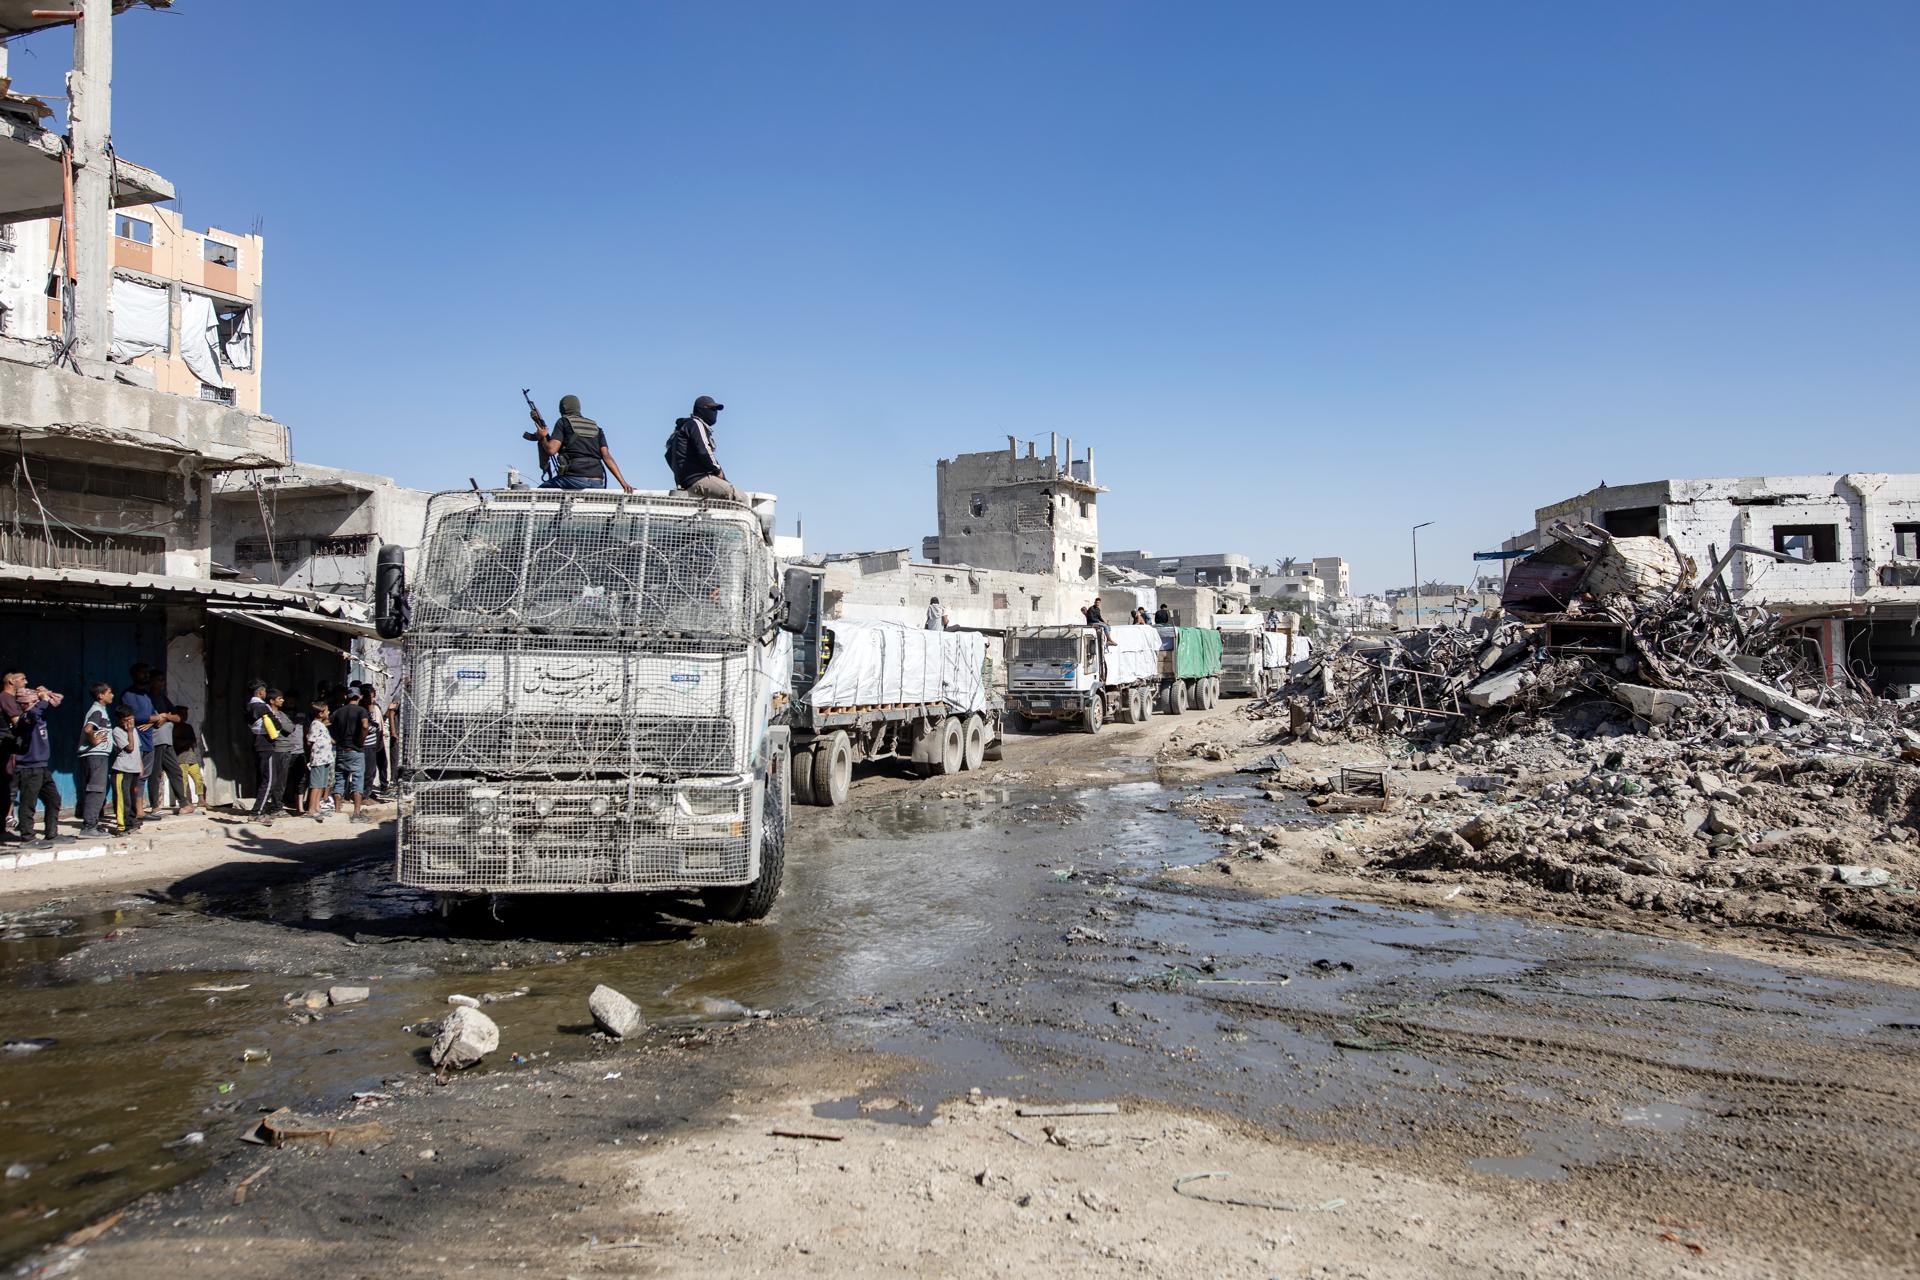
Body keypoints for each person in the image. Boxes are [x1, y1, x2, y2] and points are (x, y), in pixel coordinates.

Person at [535, 394, 634, 492]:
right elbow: (607, 456)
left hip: (573, 479)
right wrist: (623, 483)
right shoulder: (596, 427)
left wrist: (542, 437)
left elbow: (551, 450)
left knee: (539, 493)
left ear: (562, 408)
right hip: (597, 482)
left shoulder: (563, 422)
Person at [10, 683, 67, 847]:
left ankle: (51, 834)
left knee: (53, 799)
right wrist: (43, 701)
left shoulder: (36, 715)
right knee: (28, 804)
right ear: (24, 704)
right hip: (28, 769)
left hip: (41, 767)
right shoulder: (25, 718)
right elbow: (35, 713)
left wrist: (45, 693)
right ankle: (27, 838)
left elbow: (58, 699)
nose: (37, 704)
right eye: (33, 702)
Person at [666, 395, 744, 502]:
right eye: (712, 409)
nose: (715, 412)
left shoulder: (683, 427)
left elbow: (668, 456)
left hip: (685, 481)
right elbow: (704, 452)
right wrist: (718, 471)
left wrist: (681, 477)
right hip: (697, 479)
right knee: (740, 496)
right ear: (701, 409)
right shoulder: (696, 424)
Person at [146, 672, 191, 816]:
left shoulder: (162, 698)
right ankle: (155, 806)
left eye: (162, 681)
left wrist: (165, 716)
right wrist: (159, 718)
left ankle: (184, 804)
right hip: (156, 740)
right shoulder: (147, 698)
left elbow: (178, 718)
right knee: (155, 773)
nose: (161, 683)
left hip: (166, 740)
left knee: (175, 771)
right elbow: (148, 719)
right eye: (158, 680)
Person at [331, 686, 373, 823]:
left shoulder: (338, 712)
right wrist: (361, 740)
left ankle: (337, 811)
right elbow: (365, 726)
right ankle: (356, 814)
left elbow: (328, 725)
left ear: (346, 697)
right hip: (356, 751)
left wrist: (335, 740)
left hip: (341, 750)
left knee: (339, 780)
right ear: (359, 697)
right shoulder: (361, 711)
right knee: (357, 781)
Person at [78, 682, 114, 835]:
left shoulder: (100, 710)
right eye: (109, 692)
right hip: (96, 755)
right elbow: (88, 729)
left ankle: (92, 823)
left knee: (94, 788)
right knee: (96, 789)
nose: (112, 695)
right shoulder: (97, 711)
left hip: (95, 755)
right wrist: (94, 741)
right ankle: (89, 826)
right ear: (101, 695)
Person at [246, 680, 283, 820]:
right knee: (269, 780)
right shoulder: (262, 707)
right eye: (264, 691)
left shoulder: (249, 706)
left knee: (265, 779)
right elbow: (277, 725)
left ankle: (259, 810)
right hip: (266, 743)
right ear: (261, 692)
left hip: (256, 741)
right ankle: (256, 813)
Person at [108, 705, 144, 834]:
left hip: (133, 769)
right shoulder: (117, 731)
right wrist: (129, 732)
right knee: (123, 799)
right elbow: (130, 747)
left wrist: (140, 766)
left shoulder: (134, 730)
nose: (129, 723)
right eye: (126, 720)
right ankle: (122, 826)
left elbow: (137, 750)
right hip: (122, 770)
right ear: (120, 720)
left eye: (131, 719)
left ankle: (131, 820)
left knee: (132, 797)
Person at [266, 690, 300, 822]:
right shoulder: (270, 714)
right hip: (278, 749)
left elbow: (291, 727)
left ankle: (276, 805)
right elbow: (288, 728)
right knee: (277, 780)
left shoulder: (281, 714)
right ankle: (276, 807)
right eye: (279, 698)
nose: (283, 701)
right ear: (272, 701)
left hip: (286, 749)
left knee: (282, 780)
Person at [305, 701, 335, 822]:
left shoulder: (321, 724)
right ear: (321, 713)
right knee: (316, 786)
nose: (329, 712)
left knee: (322, 784)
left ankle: (317, 807)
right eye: (327, 710)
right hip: (318, 759)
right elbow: (310, 741)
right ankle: (311, 809)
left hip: (325, 759)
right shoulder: (315, 724)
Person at [174, 705, 205, 809]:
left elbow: (193, 742)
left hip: (191, 757)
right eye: (182, 714)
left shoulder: (188, 727)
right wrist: (186, 742)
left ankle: (201, 800)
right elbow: (176, 744)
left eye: (186, 714)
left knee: (198, 778)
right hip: (181, 759)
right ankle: (185, 801)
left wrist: (187, 743)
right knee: (183, 781)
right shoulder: (174, 728)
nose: (185, 716)